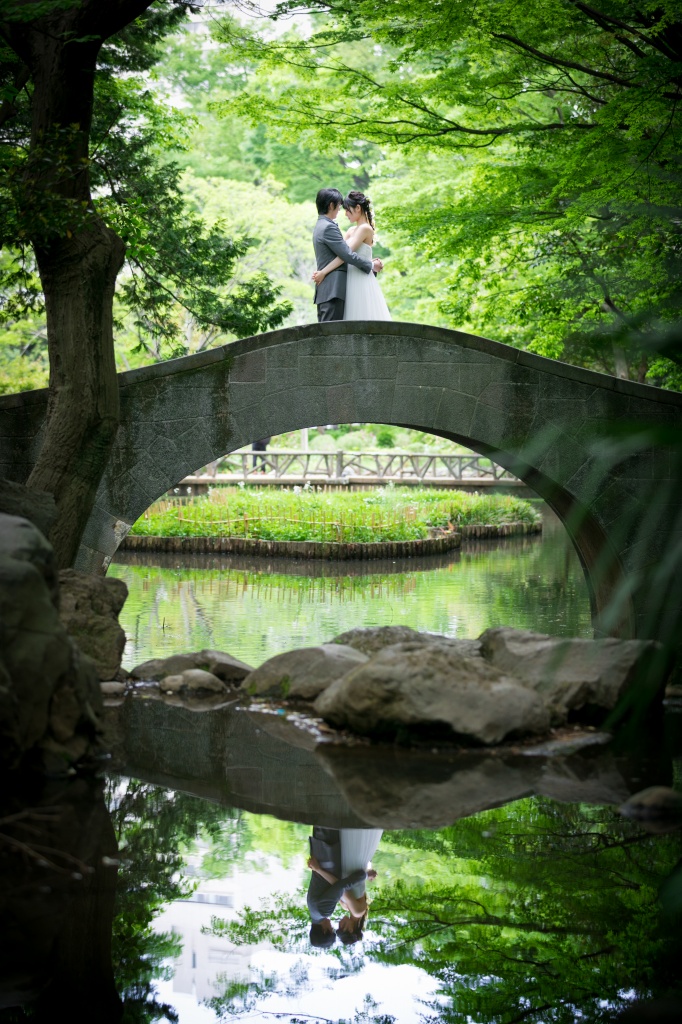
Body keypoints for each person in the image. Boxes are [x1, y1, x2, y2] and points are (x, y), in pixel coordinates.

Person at [312, 191, 391, 322]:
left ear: (358, 208)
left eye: (348, 210)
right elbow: (344, 254)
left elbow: (346, 255)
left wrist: (323, 272)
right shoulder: (350, 231)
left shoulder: (365, 229)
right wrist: (370, 263)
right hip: (348, 279)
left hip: (359, 278)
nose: (345, 214)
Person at [306, 827, 368, 948]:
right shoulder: (315, 910)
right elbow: (339, 888)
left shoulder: (324, 912)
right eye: (338, 929)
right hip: (324, 851)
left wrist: (363, 875)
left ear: (324, 931)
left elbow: (340, 887)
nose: (334, 926)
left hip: (328, 852)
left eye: (333, 929)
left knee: (331, 818)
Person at [336, 827, 383, 946]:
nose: (339, 924)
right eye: (341, 927)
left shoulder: (347, 908)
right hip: (353, 863)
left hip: (347, 864)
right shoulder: (357, 911)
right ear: (350, 929)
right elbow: (341, 888)